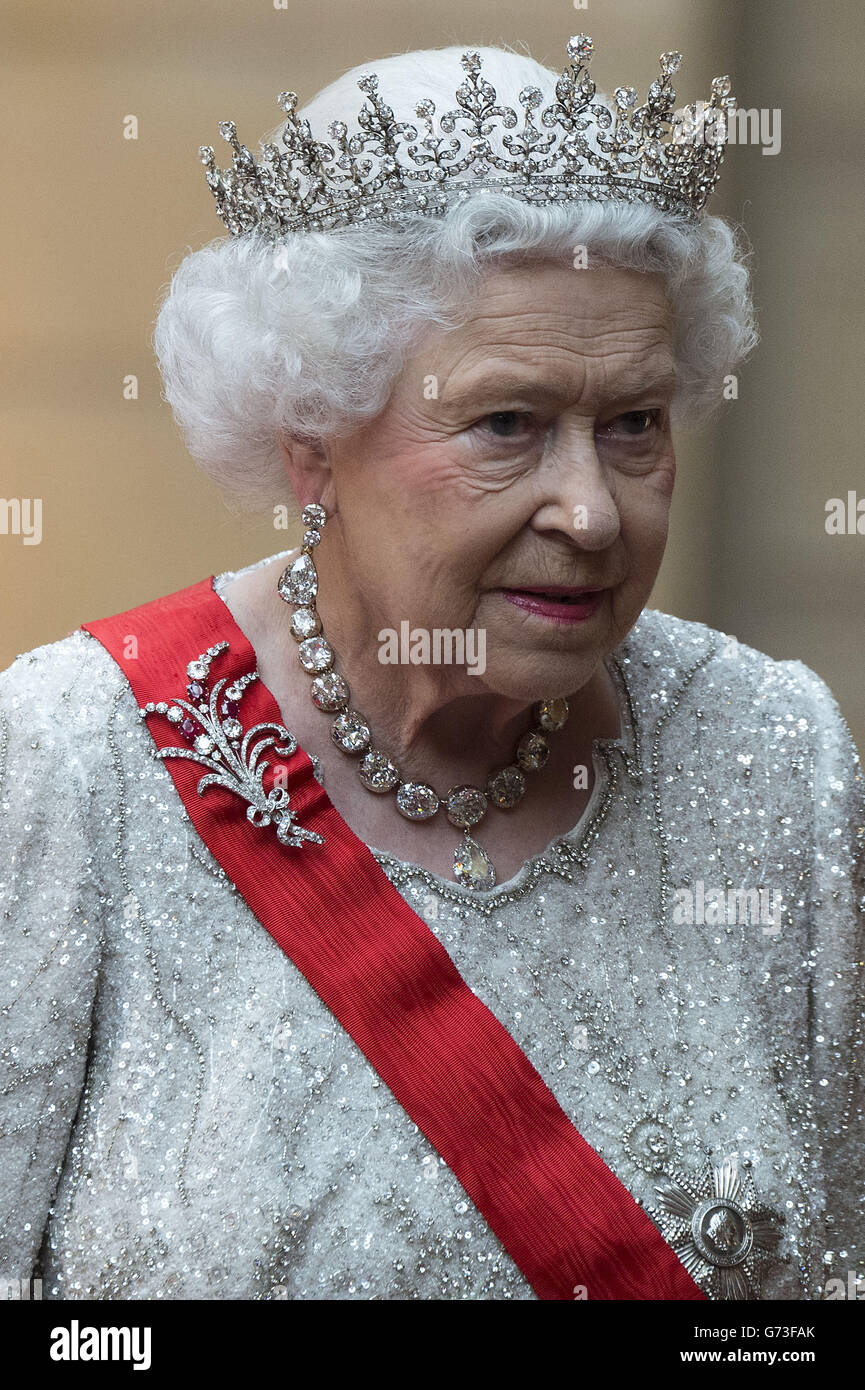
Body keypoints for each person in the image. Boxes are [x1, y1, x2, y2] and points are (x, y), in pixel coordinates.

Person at [0, 37, 862, 1301]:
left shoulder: (771, 755)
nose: (593, 512)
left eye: (632, 424)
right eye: (508, 424)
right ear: (311, 442)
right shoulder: (69, 758)